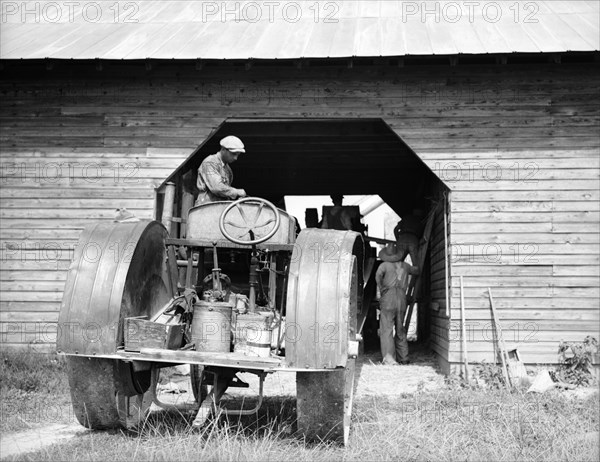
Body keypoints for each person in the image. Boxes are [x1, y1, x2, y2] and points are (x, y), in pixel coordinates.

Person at [375, 243, 419, 365]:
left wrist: (382, 288)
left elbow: (377, 276)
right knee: (400, 329)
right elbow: (416, 270)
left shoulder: (384, 265)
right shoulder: (405, 266)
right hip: (402, 298)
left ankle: (389, 359)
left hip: (388, 298)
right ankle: (404, 358)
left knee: (387, 329)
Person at [195, 135, 247, 205]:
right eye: (233, 154)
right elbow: (216, 187)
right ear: (223, 149)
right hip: (206, 207)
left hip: (220, 207)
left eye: (238, 155)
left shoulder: (228, 170)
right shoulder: (210, 162)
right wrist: (236, 192)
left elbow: (226, 191)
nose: (235, 158)